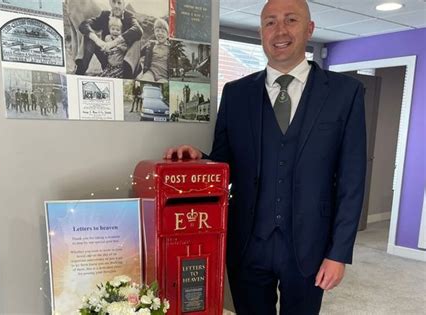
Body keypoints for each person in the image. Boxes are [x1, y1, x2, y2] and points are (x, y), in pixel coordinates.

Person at [164, 0, 366, 314]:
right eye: (270, 22)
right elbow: (225, 163)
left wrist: (338, 253)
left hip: (310, 245)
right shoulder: (235, 93)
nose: (280, 30)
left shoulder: (345, 93)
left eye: (291, 20)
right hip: (248, 243)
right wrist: (199, 158)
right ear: (261, 32)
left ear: (309, 28)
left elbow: (352, 181)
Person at [76, 0, 143, 77]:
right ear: (110, 3)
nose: (116, 6)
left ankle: (128, 75)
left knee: (137, 40)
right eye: (114, 2)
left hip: (123, 62)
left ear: (124, 4)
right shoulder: (105, 15)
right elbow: (84, 24)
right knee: (88, 37)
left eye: (119, 3)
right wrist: (98, 41)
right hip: (108, 60)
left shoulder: (129, 16)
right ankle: (80, 71)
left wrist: (113, 43)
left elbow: (138, 29)